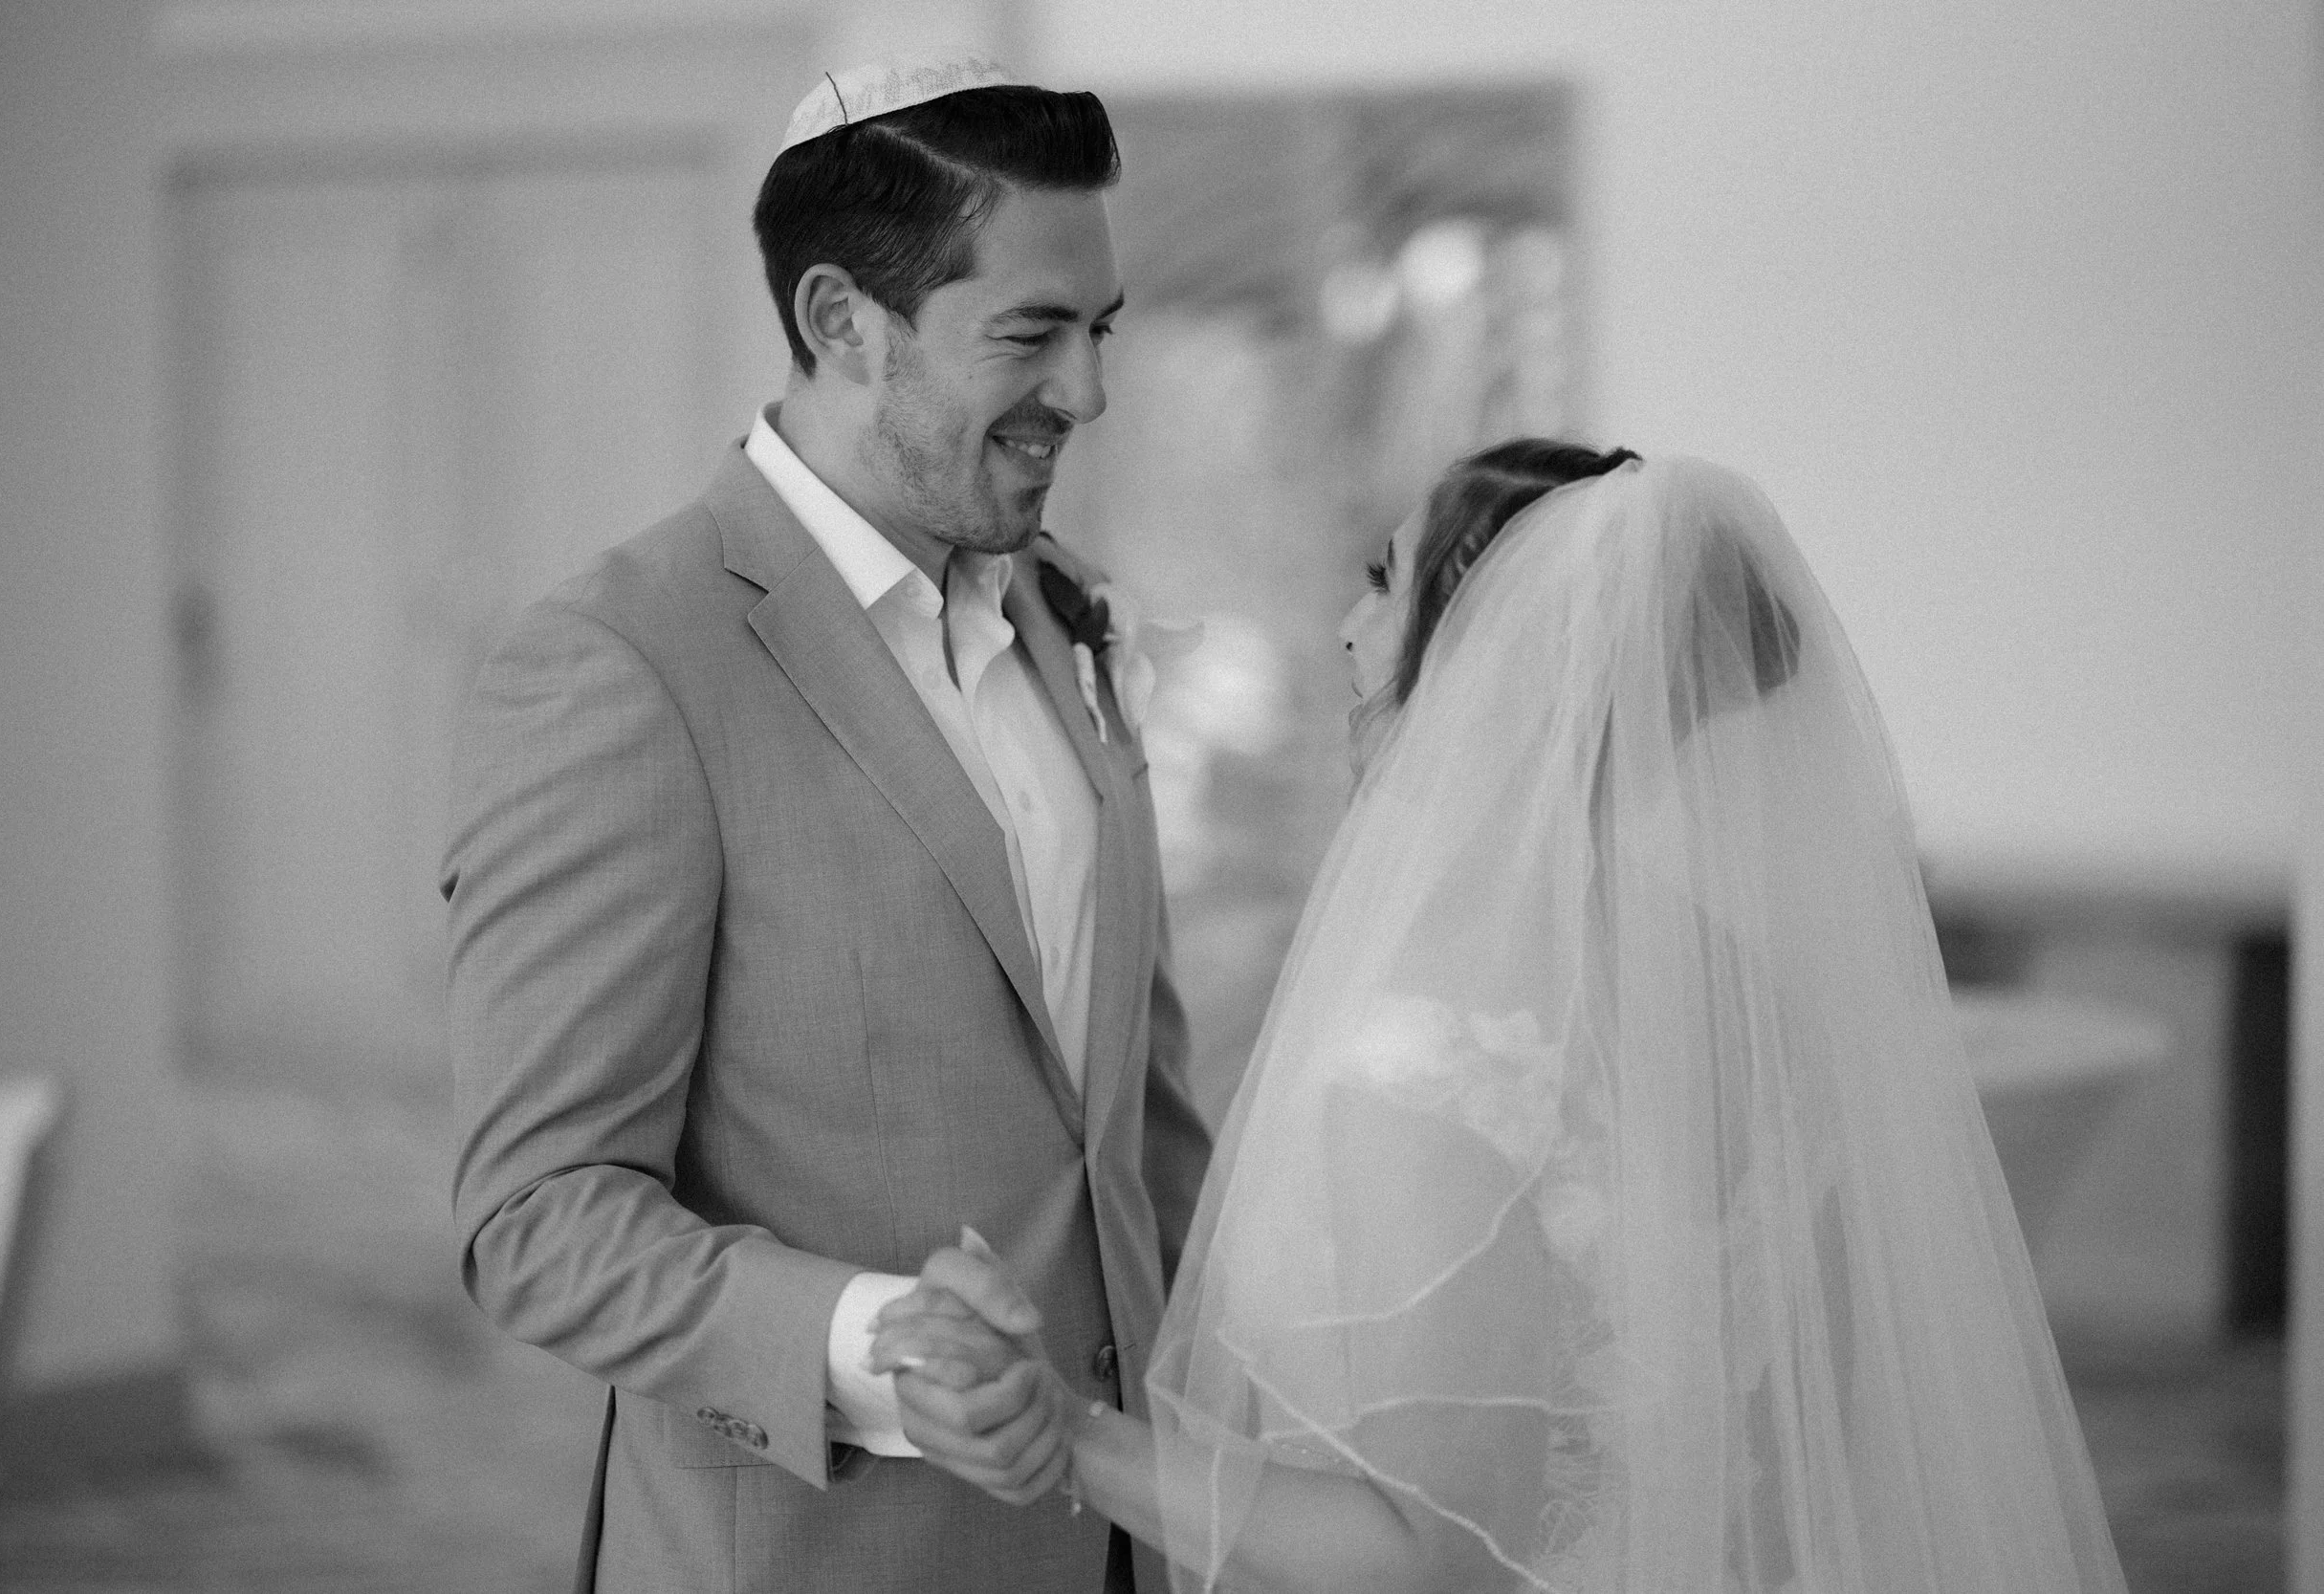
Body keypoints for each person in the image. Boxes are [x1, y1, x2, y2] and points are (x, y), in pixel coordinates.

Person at [872, 442, 2131, 1593]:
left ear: (1489, 648)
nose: (1352, 627)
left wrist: (1065, 1432)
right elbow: (1811, 1432)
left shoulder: (1433, 1064)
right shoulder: (1752, 1004)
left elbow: (1414, 1550)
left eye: (1386, 577)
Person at [443, 55, 1211, 1594]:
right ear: (839, 322)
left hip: (1131, 1540)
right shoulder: (627, 660)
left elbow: (1137, 1118)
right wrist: (881, 1342)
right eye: (1031, 333)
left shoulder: (1069, 616)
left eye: (1100, 328)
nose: (1089, 390)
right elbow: (536, 1215)